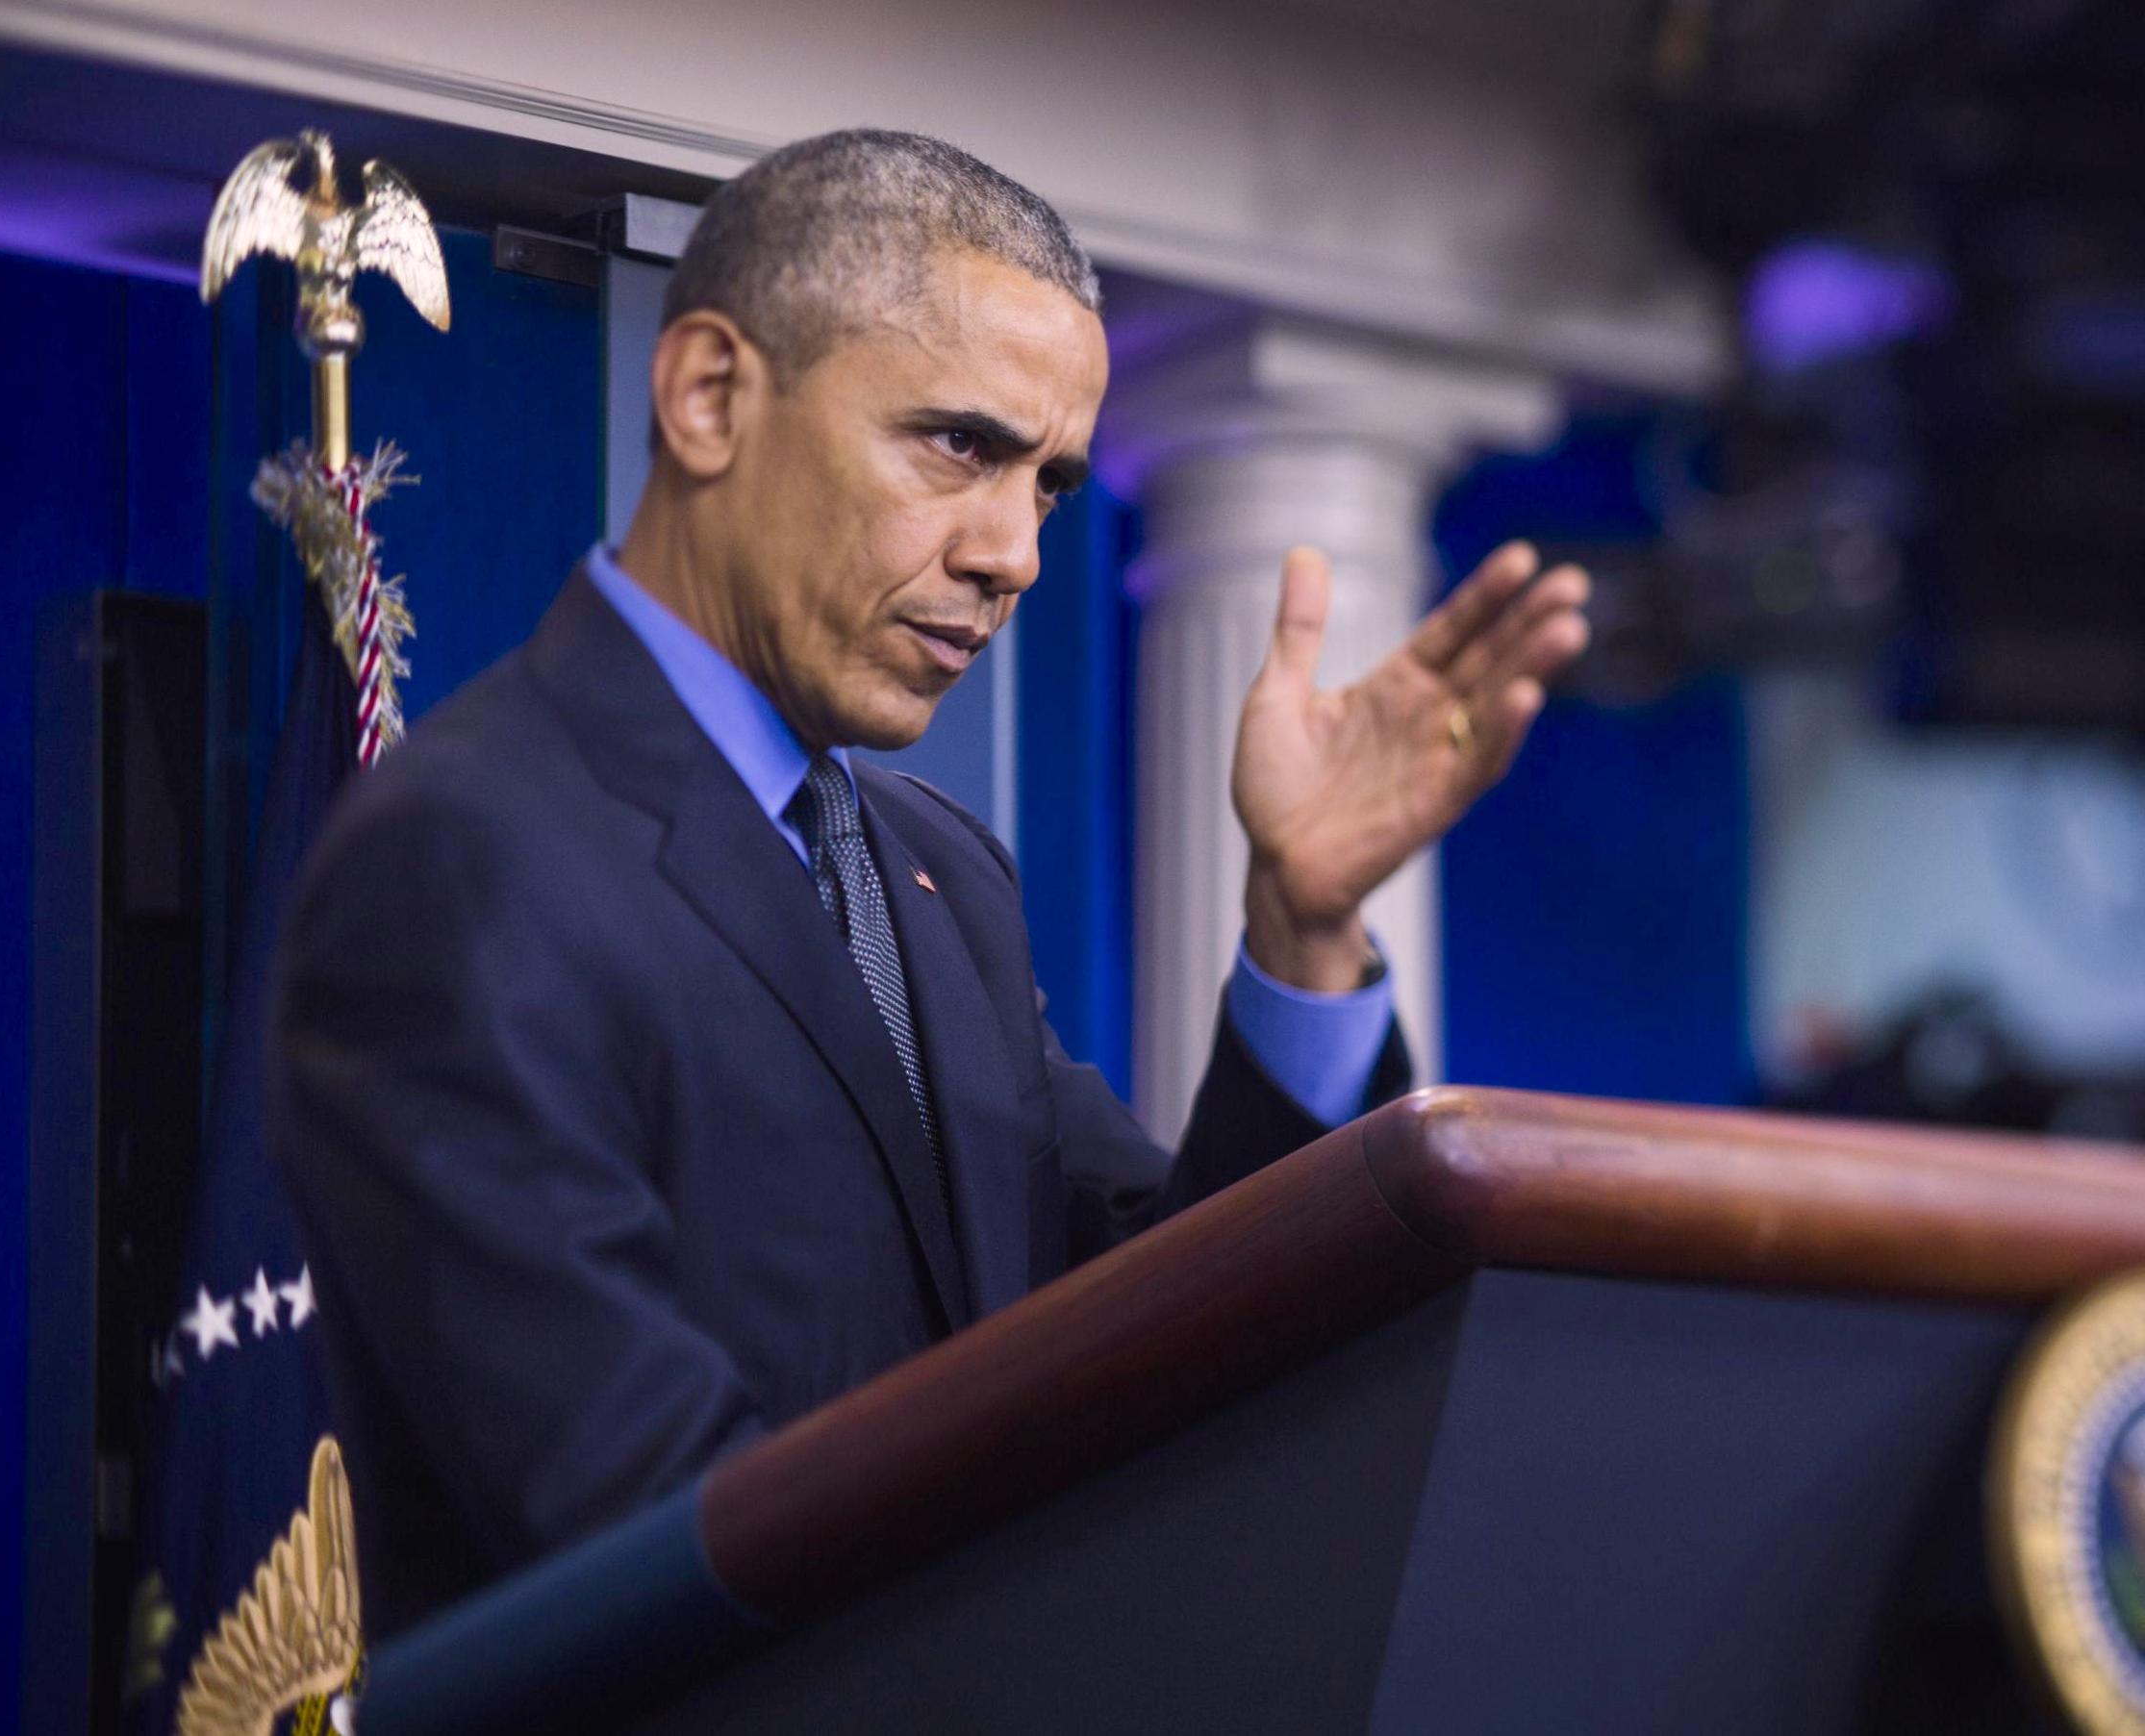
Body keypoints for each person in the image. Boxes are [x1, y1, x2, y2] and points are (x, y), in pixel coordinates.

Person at [267, 129, 1590, 1636]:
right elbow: (635, 1524)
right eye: (959, 445)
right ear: (709, 397)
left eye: (1052, 485)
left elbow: (1167, 1323)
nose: (1014, 553)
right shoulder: (459, 855)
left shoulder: (941, 871)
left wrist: (1302, 923)